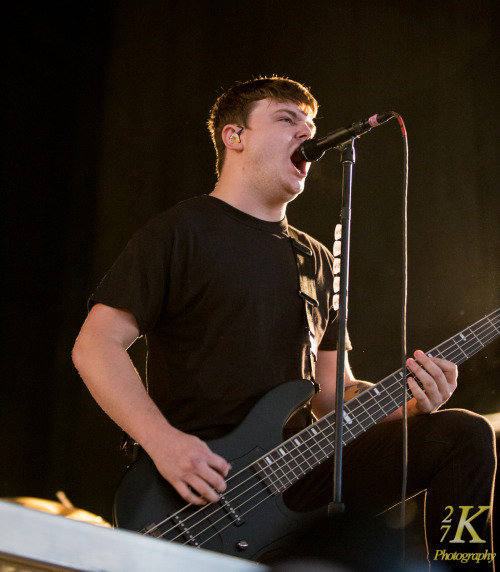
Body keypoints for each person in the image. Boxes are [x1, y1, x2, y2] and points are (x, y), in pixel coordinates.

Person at [72, 77, 496, 569]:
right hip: (200, 480)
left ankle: (464, 567)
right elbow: (96, 346)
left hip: (297, 467)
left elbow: (332, 394)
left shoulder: (313, 258)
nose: (307, 133)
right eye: (286, 119)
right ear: (236, 137)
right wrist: (164, 444)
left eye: (310, 124)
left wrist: (412, 400)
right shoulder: (182, 231)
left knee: (461, 435)